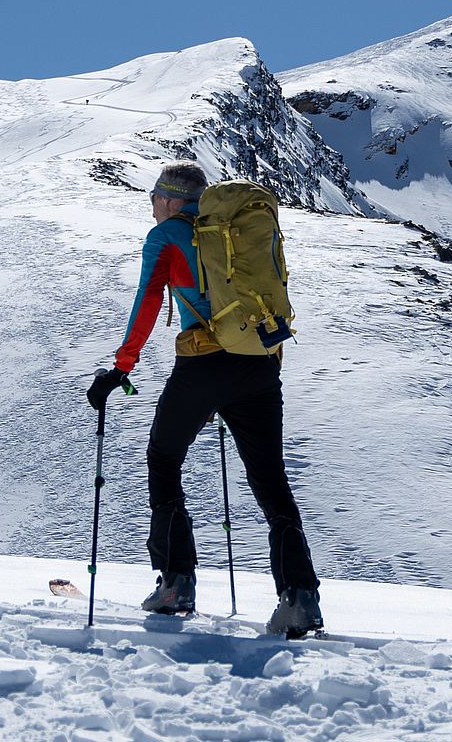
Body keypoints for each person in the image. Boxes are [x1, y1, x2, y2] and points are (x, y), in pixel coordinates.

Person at [86, 160, 324, 637]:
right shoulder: (234, 231)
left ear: (172, 199)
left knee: (164, 457)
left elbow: (148, 303)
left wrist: (120, 369)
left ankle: (176, 584)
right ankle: (301, 598)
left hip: (203, 363)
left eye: (154, 197)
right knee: (270, 478)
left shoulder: (168, 236)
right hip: (258, 365)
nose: (152, 207)